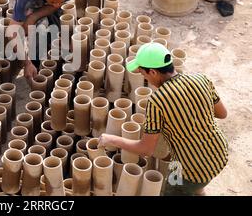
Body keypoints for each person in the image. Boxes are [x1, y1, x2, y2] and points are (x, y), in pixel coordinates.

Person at [98, 43, 228, 196]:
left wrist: (112, 140)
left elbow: (146, 149)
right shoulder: (200, 79)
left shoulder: (157, 101)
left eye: (143, 74)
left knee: (174, 190)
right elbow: (222, 114)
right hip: (219, 154)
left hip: (186, 168)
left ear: (152, 72)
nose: (144, 78)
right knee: (198, 185)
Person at [9, 0, 78, 81]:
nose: (57, 5)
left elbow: (56, 5)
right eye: (53, 1)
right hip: (33, 1)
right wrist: (27, 63)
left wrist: (34, 16)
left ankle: (51, 51)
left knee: (58, 27)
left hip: (47, 2)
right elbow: (12, 31)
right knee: (38, 27)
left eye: (60, 1)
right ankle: (35, 64)